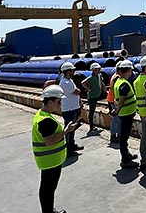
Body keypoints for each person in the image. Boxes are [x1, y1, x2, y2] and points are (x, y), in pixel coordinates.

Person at [32, 85, 81, 213]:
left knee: (46, 189)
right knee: (48, 189)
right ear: (50, 101)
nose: (60, 105)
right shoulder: (46, 121)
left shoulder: (41, 114)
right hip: (50, 161)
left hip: (48, 160)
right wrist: (66, 131)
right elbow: (50, 141)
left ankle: (48, 210)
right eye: (59, 102)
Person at [111, 59, 140, 168]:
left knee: (124, 137)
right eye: (130, 71)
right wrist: (116, 111)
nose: (131, 73)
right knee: (123, 137)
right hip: (126, 113)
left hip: (125, 113)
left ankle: (127, 155)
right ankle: (125, 160)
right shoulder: (124, 84)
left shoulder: (118, 81)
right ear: (125, 71)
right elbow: (122, 100)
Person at [58, 62, 84, 154]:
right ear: (68, 71)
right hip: (69, 109)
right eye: (72, 70)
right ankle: (68, 149)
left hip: (74, 107)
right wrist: (78, 92)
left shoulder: (70, 81)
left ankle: (72, 145)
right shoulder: (65, 82)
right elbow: (76, 91)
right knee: (69, 130)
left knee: (72, 128)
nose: (73, 72)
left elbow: (77, 92)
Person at [81, 62, 108, 135]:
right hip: (92, 97)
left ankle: (92, 127)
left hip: (96, 95)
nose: (99, 70)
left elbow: (101, 83)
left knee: (93, 110)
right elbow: (83, 83)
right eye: (97, 69)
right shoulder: (91, 77)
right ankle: (91, 128)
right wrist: (88, 88)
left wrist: (105, 90)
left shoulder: (99, 75)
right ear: (93, 70)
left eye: (99, 69)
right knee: (91, 112)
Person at [106, 63, 121, 144]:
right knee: (116, 119)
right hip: (113, 100)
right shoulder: (117, 77)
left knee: (116, 119)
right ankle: (113, 136)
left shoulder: (115, 75)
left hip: (111, 99)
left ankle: (116, 135)